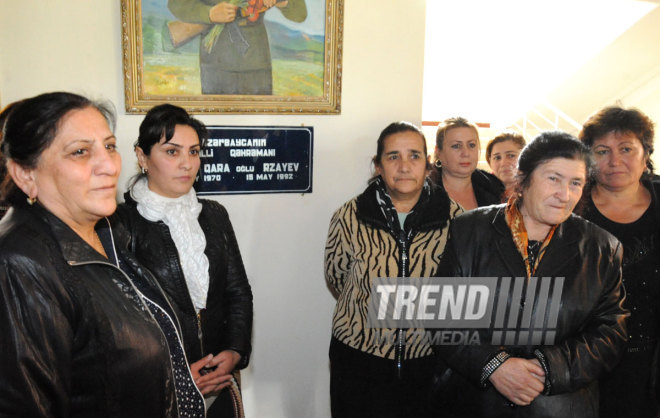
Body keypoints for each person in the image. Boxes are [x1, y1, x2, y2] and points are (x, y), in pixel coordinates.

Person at [0, 92, 208, 417]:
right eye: (80, 152)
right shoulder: (20, 262)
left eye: (109, 146)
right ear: (25, 173)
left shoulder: (107, 231)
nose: (108, 166)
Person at [433, 131, 628, 417]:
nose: (565, 194)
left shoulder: (602, 248)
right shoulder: (469, 230)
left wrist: (549, 368)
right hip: (476, 402)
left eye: (576, 183)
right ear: (523, 179)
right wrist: (493, 365)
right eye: (553, 178)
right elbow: (442, 314)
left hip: (560, 405)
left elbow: (611, 331)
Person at [115, 103, 253, 417]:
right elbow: (123, 326)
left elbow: (238, 292)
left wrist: (234, 351)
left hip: (219, 379)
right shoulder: (119, 224)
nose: (187, 164)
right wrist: (175, 375)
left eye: (194, 152)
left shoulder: (214, 214)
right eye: (172, 152)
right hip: (158, 389)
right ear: (142, 157)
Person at [325, 121, 462, 417]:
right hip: (359, 359)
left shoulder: (457, 220)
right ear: (378, 166)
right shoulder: (349, 215)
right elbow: (337, 276)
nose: (404, 166)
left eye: (414, 156)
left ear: (427, 165)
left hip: (428, 360)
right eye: (393, 157)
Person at [578, 106, 660, 418]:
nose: (614, 161)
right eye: (602, 151)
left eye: (626, 148)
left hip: (651, 361)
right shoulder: (570, 206)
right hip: (584, 359)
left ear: (645, 152)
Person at [168, 0, 307, 95]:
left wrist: (282, 1)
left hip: (255, 59)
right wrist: (209, 13)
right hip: (217, 59)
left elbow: (300, 14)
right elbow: (176, 4)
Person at [431, 117, 504, 210]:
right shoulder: (422, 193)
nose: (466, 153)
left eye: (471, 145)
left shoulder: (495, 188)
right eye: (456, 146)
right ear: (438, 152)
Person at [486, 131, 526, 198]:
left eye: (511, 156)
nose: (503, 163)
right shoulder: (478, 191)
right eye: (497, 157)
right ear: (490, 162)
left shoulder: (537, 190)